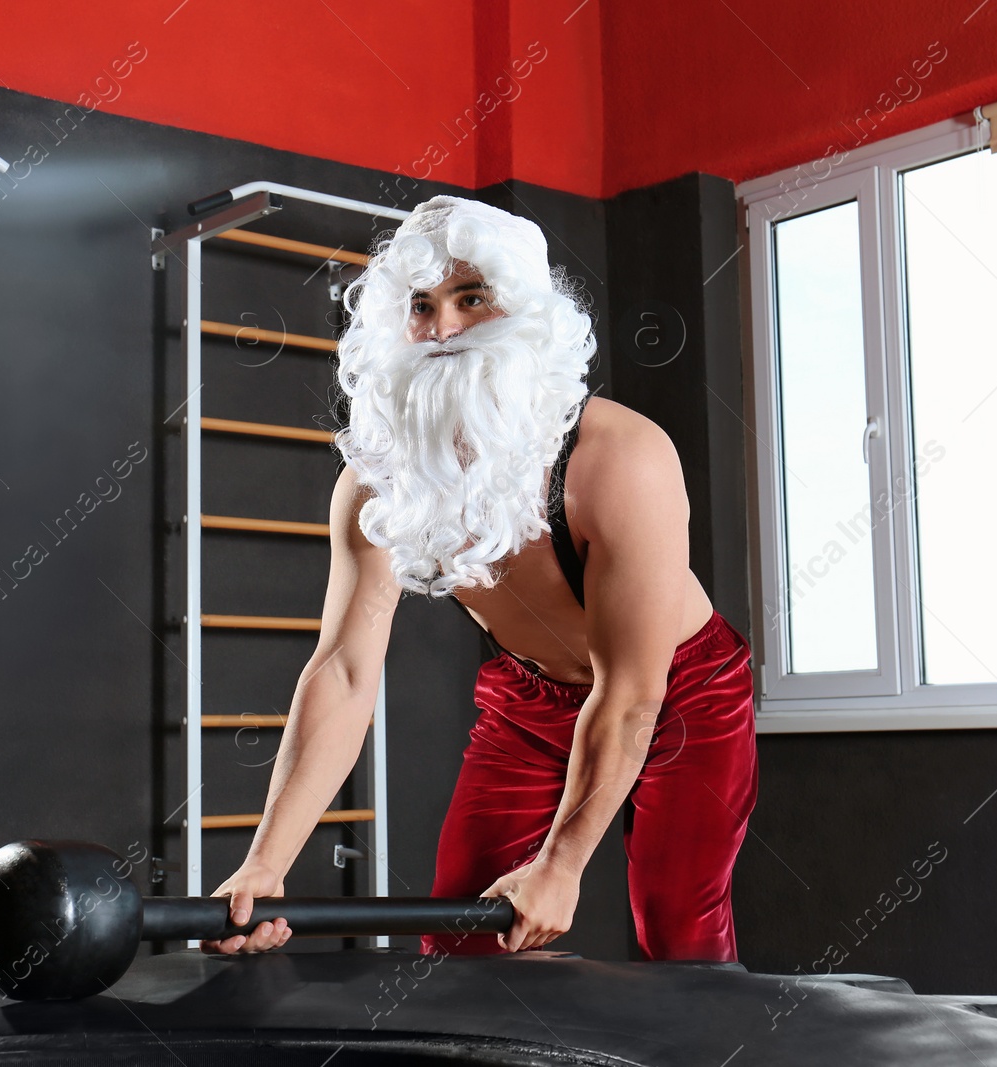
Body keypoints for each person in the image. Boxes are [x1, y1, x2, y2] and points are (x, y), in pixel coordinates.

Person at [200, 195, 757, 961]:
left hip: (678, 691)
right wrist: (267, 861)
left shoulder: (620, 457)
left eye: (472, 298)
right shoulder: (375, 483)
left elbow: (631, 692)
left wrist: (561, 865)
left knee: (679, 935)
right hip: (533, 699)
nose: (446, 328)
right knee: (460, 938)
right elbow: (344, 668)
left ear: (525, 314)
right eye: (422, 308)